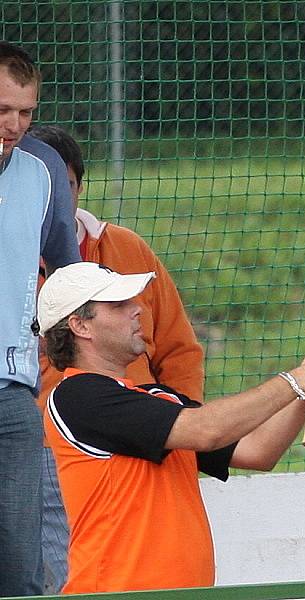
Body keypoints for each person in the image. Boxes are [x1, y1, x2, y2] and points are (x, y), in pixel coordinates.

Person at [37, 261, 305, 593]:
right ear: (80, 326)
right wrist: (295, 381)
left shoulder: (156, 399)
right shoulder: (78, 396)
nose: (138, 310)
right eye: (119, 305)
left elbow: (259, 450)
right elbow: (206, 430)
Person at [27, 124, 206, 594]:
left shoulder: (126, 248)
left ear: (79, 186)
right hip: (44, 439)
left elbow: (178, 348)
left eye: (62, 185)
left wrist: (177, 418)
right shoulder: (12, 249)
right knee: (59, 567)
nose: (53, 199)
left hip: (145, 425)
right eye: (39, 186)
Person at [0, 41, 80, 597]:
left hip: (12, 388)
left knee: (21, 560)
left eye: (26, 112)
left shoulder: (44, 168)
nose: (15, 124)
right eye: (2, 110)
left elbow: (67, 274)